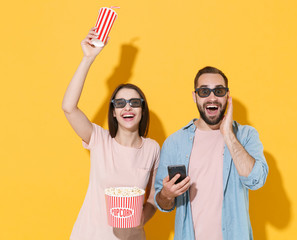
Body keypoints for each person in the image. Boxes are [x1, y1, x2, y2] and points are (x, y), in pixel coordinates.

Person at [62, 28, 160, 240]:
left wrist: (141, 218)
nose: (127, 108)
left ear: (142, 110)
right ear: (114, 113)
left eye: (134, 103)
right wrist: (88, 58)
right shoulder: (99, 139)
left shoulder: (152, 148)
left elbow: (152, 198)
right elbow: (69, 108)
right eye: (120, 103)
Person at [154, 66, 268, 240]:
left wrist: (228, 134)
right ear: (195, 96)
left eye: (219, 91)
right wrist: (167, 194)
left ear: (227, 96)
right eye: (204, 91)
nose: (212, 97)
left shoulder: (245, 136)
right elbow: (162, 203)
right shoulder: (174, 143)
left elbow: (256, 180)